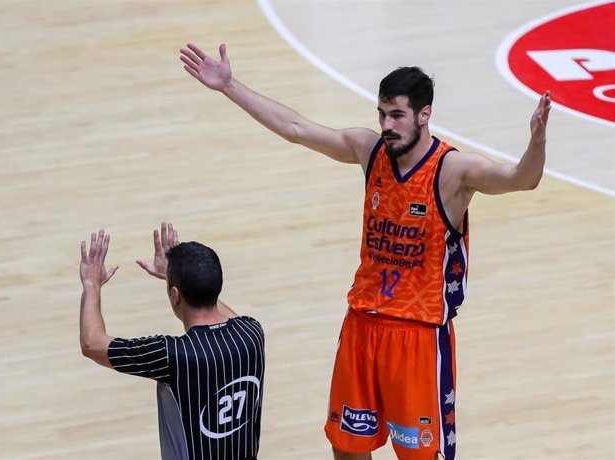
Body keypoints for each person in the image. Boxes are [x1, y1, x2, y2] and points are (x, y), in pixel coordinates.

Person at [179, 43, 551, 460]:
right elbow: (297, 127)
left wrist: (536, 142)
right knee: (347, 449)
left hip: (418, 337)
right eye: (381, 114)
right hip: (362, 327)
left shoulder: (454, 171)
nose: (386, 124)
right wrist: (230, 86)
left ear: (424, 115)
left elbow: (522, 179)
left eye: (397, 115)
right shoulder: (369, 149)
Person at [79, 222, 265, 460]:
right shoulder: (252, 333)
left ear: (175, 295)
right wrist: (176, 276)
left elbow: (92, 344)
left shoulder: (171, 354)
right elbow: (221, 309)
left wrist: (91, 285)